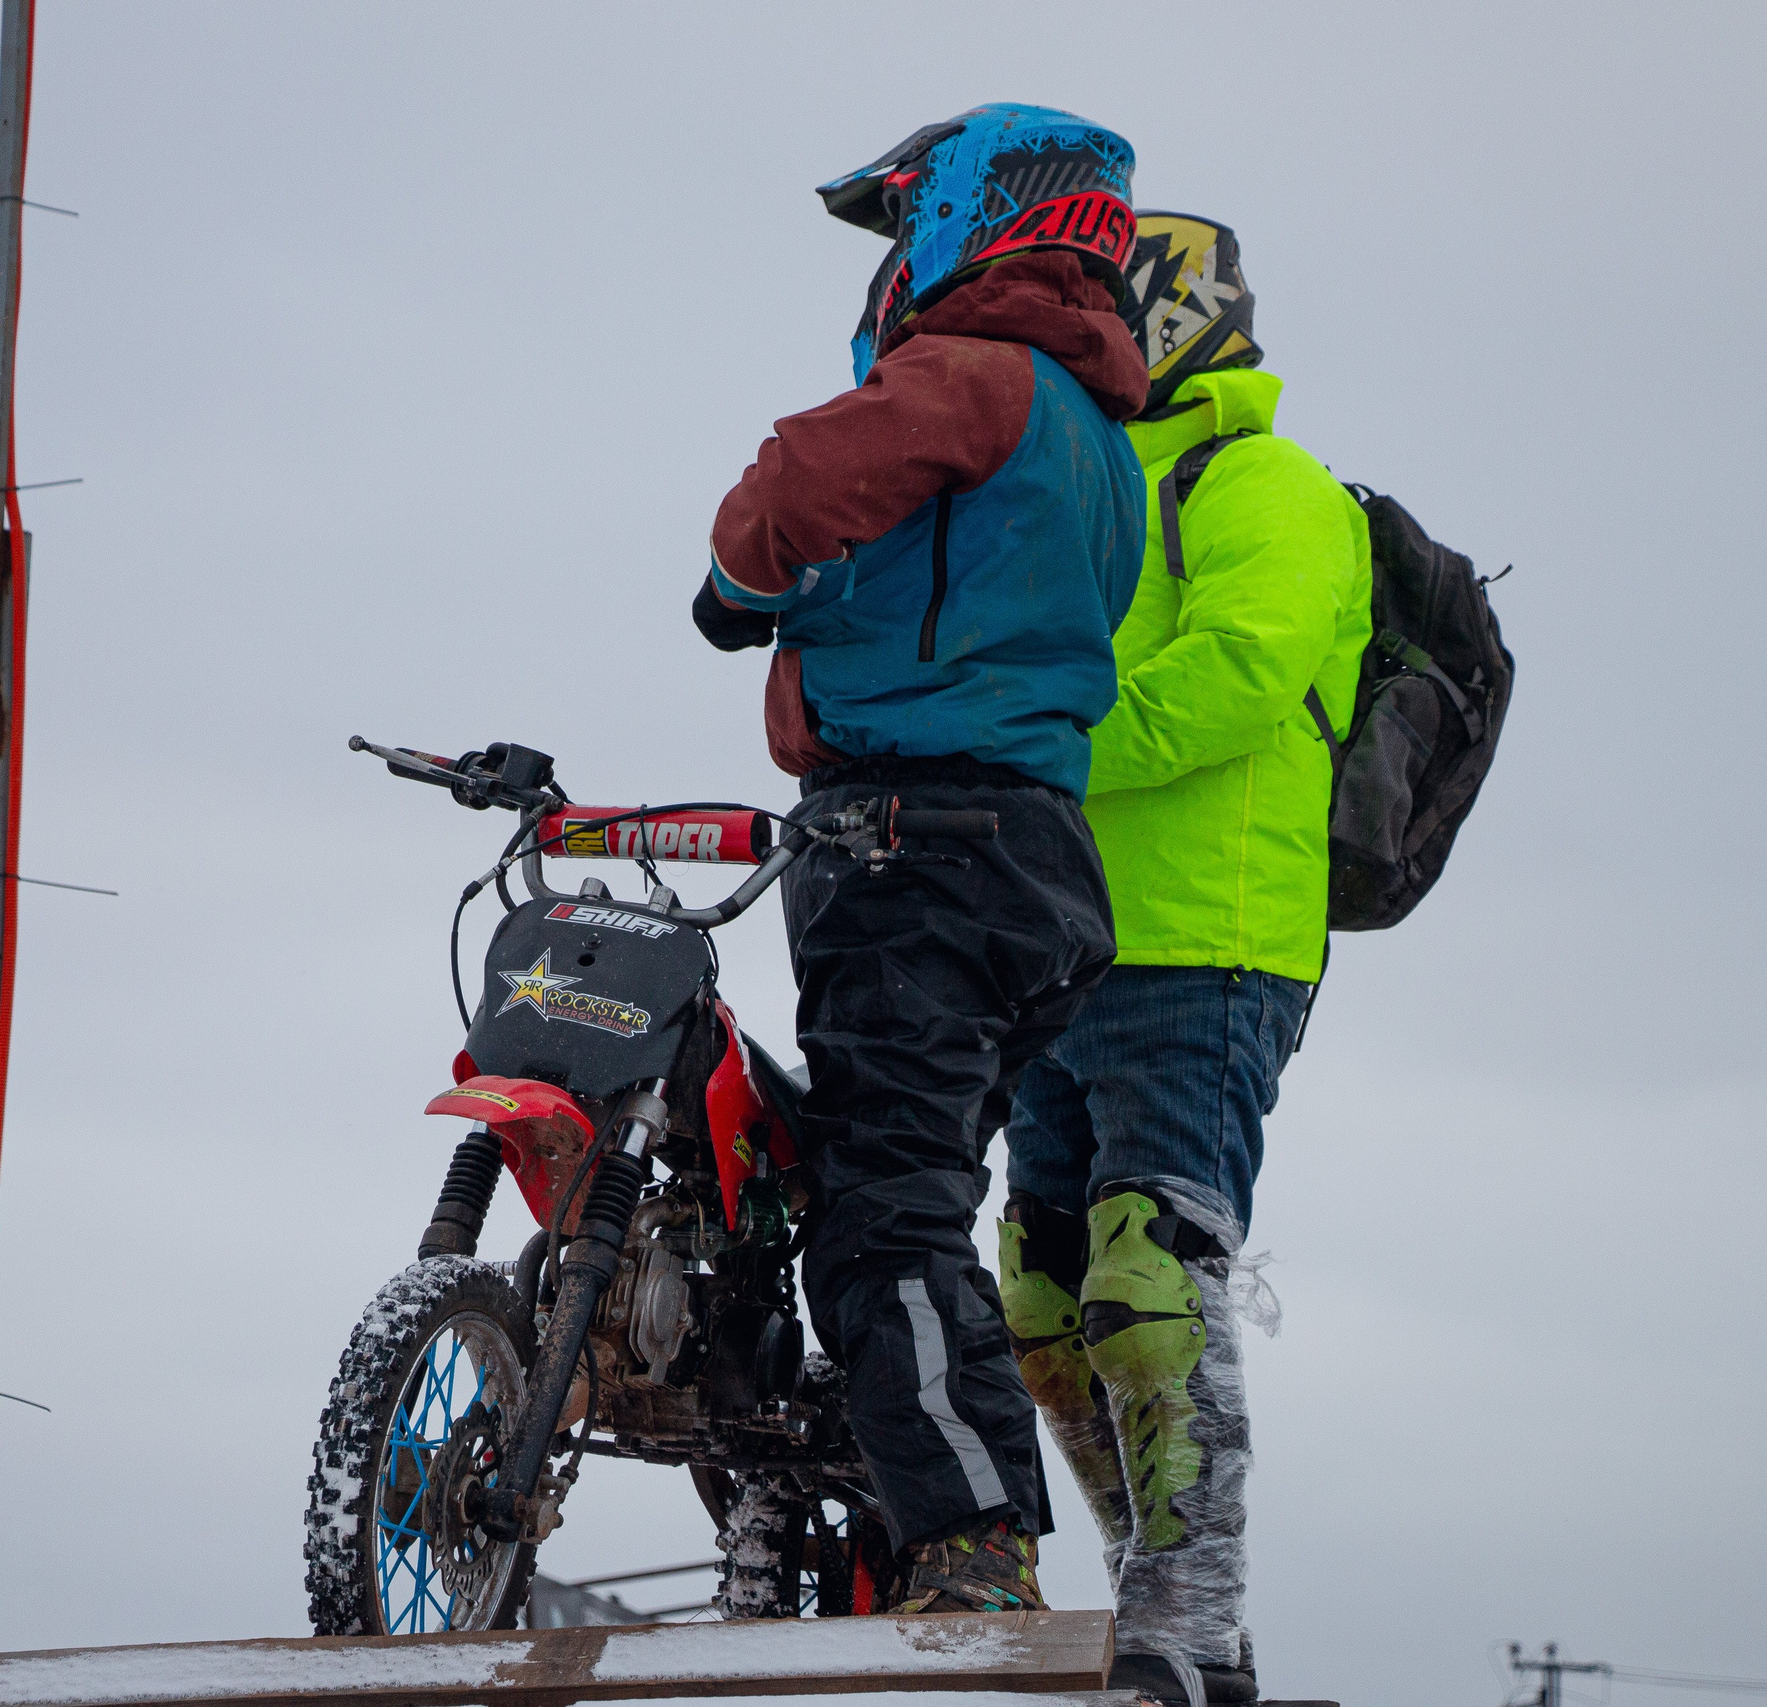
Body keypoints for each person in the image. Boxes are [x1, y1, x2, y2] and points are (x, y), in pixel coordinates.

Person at [693, 103, 1151, 1615]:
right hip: (1035, 854)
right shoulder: (1097, 432)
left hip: (913, 839)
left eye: (903, 227)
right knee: (906, 1180)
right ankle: (910, 1492)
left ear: (971, 214)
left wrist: (734, 575)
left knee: (885, 1208)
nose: (891, 265)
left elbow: (798, 483)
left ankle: (967, 1539)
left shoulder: (964, 373)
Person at [995, 212, 1370, 1703]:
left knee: (1152, 1274)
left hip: (1210, 940)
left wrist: (1045, 749)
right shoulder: (1080, 481)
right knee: (1044, 1298)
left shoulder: (1266, 480)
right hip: (1056, 941)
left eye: (1099, 305)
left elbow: (1237, 670)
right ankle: (1168, 1603)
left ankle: (1189, 1619)